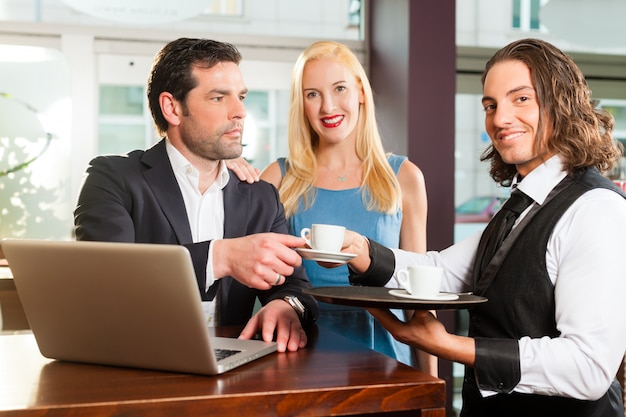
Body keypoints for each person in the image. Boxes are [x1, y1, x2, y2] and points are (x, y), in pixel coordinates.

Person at [339, 38, 626, 416]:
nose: (500, 119)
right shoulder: (522, 206)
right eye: (490, 105)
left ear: (562, 104)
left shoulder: (595, 209)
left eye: (520, 99)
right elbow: (440, 271)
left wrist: (450, 345)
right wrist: (363, 252)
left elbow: (588, 367)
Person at [73, 38, 318, 353]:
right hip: (135, 365)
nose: (240, 111)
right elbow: (107, 283)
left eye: (241, 97)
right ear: (172, 108)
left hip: (231, 377)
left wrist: (286, 306)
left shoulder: (261, 197)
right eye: (219, 97)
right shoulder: (112, 179)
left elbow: (297, 287)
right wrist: (220, 258)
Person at [230, 40, 432, 371]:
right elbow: (246, 270)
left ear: (360, 93)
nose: (328, 106)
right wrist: (228, 174)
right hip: (301, 352)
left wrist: (434, 393)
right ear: (302, 105)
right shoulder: (278, 178)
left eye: (339, 89)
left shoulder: (404, 177)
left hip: (388, 356)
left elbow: (419, 300)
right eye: (313, 94)